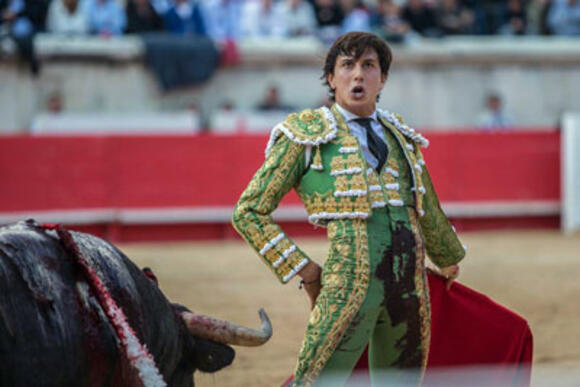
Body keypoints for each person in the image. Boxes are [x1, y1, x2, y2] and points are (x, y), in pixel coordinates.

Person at [232, 32, 465, 386]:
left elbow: (426, 205)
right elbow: (248, 211)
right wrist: (304, 269)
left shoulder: (401, 136)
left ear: (382, 78)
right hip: (348, 285)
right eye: (347, 66)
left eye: (368, 66)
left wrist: (447, 256)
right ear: (331, 78)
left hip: (409, 286)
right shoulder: (306, 136)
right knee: (318, 380)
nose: (358, 75)